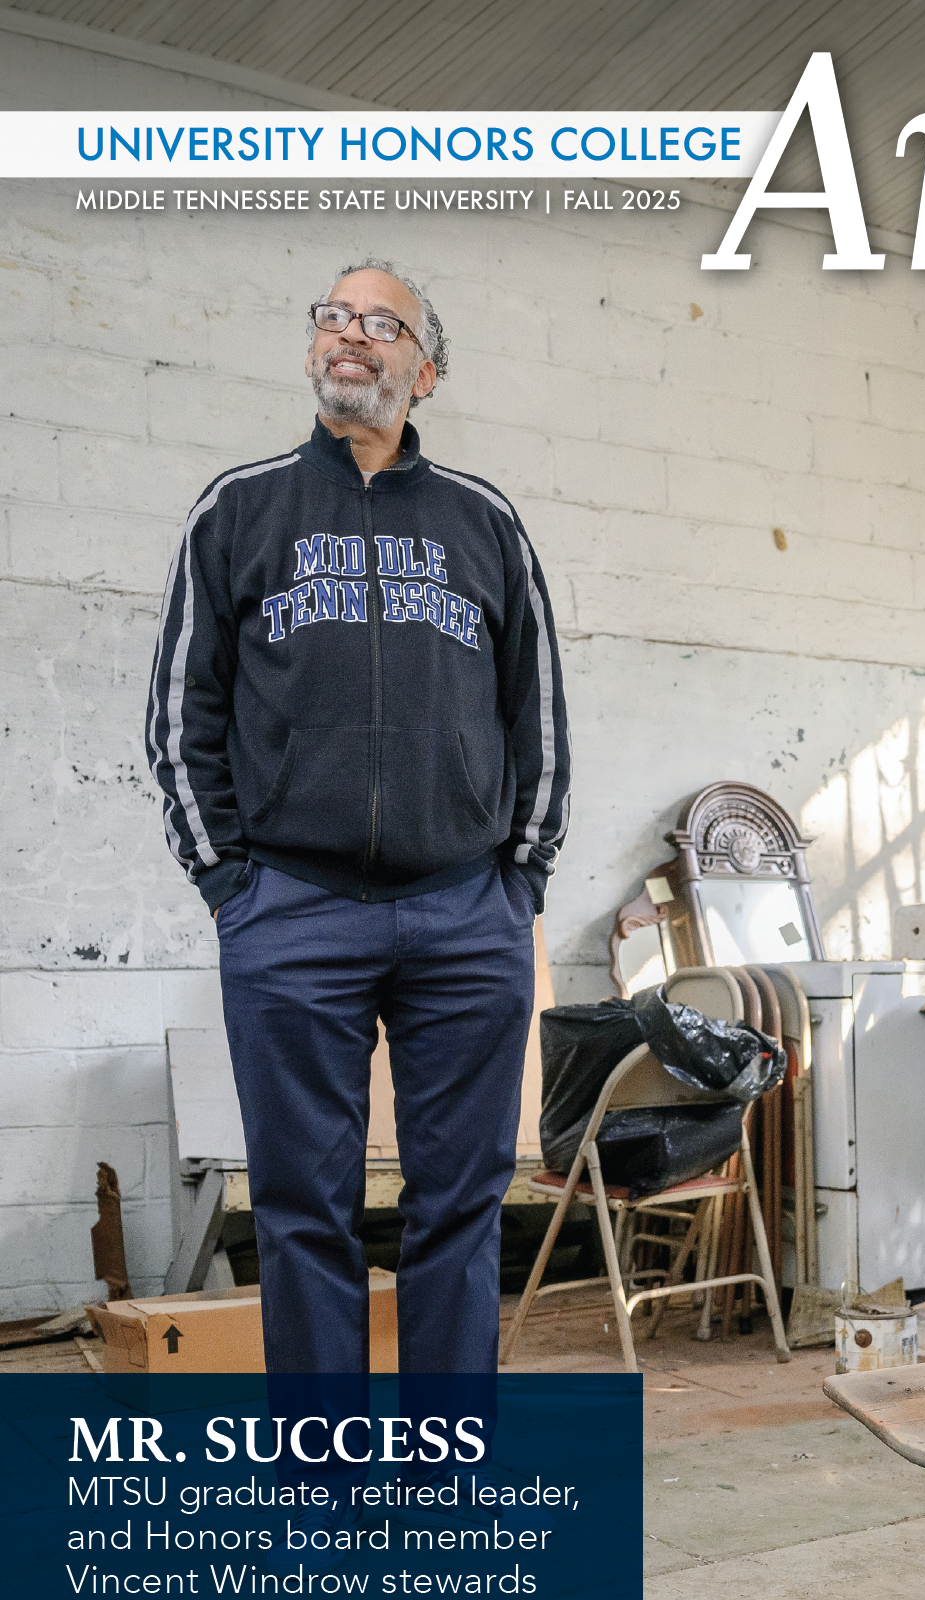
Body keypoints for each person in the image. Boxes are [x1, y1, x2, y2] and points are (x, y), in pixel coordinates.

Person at [145, 258, 570, 1391]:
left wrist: (517, 880)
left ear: (424, 370)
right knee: (300, 1214)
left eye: (384, 324)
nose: (353, 337)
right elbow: (182, 716)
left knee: (462, 1210)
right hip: (291, 915)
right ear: (309, 350)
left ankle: (442, 1483)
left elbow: (539, 717)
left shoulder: (484, 521)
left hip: (465, 916)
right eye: (335, 317)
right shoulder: (238, 511)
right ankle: (324, 1500)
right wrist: (232, 885)